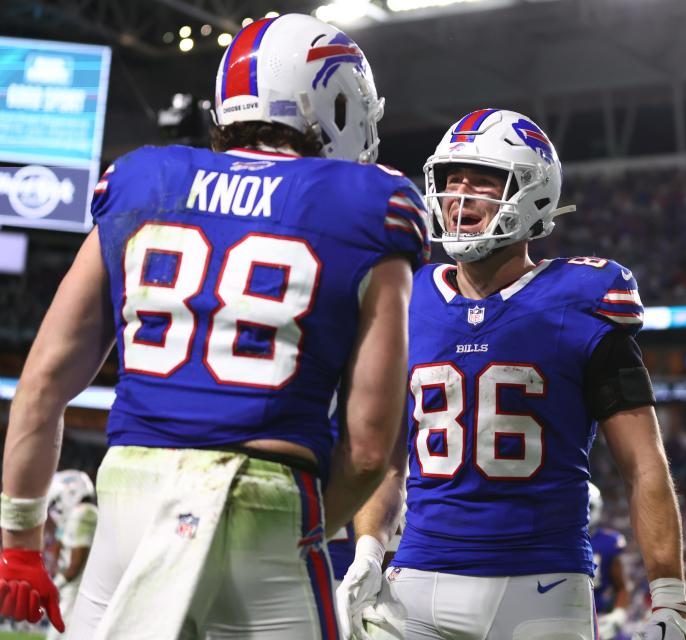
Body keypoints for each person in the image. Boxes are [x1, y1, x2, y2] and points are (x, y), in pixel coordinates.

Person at [0, 12, 429, 639]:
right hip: (265, 499)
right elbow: (367, 450)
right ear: (334, 102)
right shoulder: (370, 204)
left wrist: (19, 545)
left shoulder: (142, 180)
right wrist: (311, 530)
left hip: (127, 494)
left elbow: (40, 386)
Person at [336, 108, 686, 640]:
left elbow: (643, 464)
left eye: (482, 180)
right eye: (451, 180)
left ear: (533, 193)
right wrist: (367, 549)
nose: (460, 196)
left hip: (542, 584)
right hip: (418, 582)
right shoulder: (410, 297)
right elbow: (389, 463)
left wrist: (669, 597)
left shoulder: (583, 301)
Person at [45, 471, 98, 640]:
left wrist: (54, 586)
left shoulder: (84, 513)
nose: (58, 507)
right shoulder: (80, 513)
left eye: (58, 500)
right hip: (75, 587)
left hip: (75, 588)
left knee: (60, 633)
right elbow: (60, 543)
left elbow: (76, 564)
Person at [589, 482, 632, 640]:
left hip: (597, 618)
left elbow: (621, 586)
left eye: (588, 507)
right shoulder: (558, 540)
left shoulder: (608, 542)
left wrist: (618, 615)